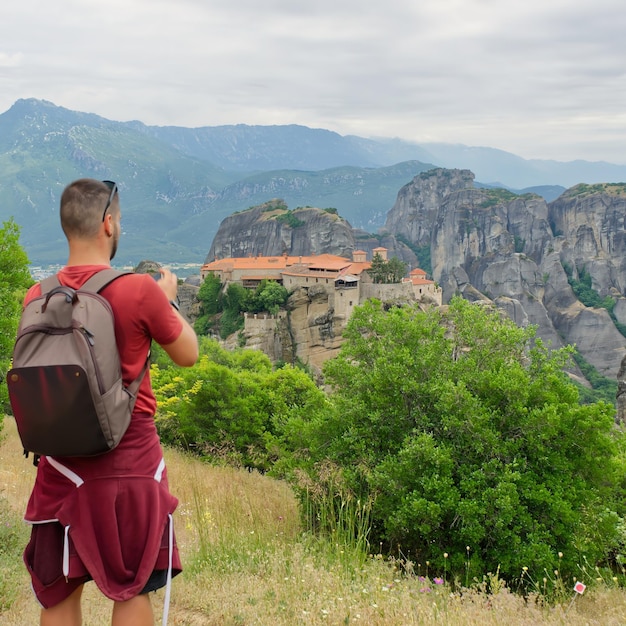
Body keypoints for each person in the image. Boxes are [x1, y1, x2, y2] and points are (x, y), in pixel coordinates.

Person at [20, 179, 199, 626]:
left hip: (60, 468)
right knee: (132, 586)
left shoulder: (36, 297)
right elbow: (188, 355)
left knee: (58, 593)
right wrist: (170, 301)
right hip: (131, 462)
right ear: (107, 223)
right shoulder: (140, 290)